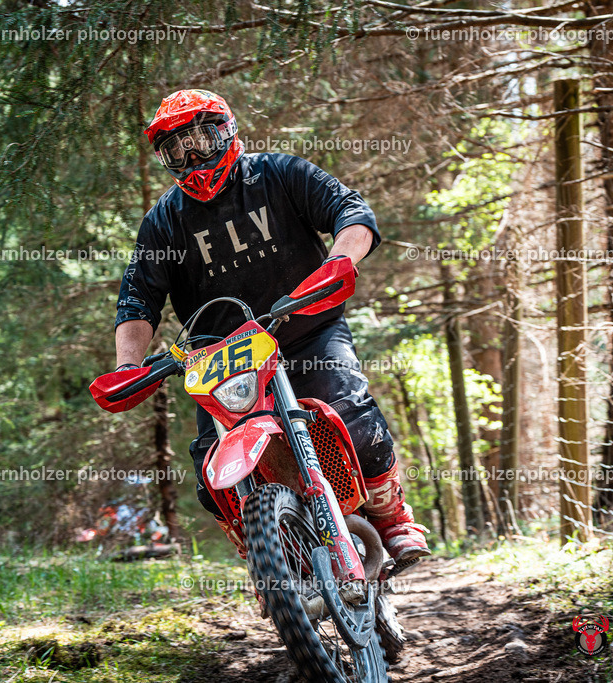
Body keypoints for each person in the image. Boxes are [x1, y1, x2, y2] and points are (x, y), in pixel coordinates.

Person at [113, 89, 430, 574]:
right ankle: (264, 559)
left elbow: (351, 211)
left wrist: (340, 260)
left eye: (200, 138)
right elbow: (138, 299)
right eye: (177, 149)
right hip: (219, 359)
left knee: (348, 408)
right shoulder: (163, 221)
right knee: (208, 473)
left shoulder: (279, 173)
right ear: (165, 158)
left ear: (226, 130)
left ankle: (392, 518)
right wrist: (127, 367)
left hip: (305, 327)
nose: (192, 156)